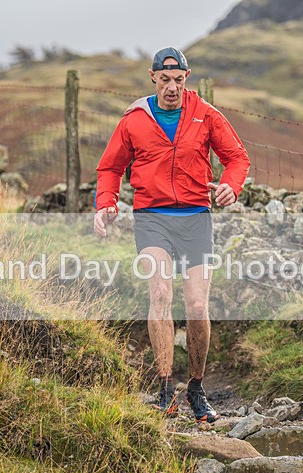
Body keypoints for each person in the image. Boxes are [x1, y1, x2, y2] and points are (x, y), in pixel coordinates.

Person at [94, 47, 250, 423]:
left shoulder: (205, 114)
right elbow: (110, 167)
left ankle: (196, 388)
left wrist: (231, 186)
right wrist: (106, 203)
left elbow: (237, 158)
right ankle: (165, 390)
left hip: (196, 217)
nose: (172, 88)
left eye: (178, 80)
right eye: (164, 80)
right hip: (152, 218)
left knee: (196, 305)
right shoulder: (135, 118)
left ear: (186, 78)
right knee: (161, 294)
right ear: (153, 77)